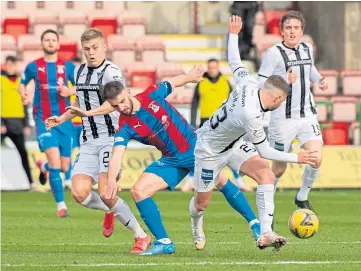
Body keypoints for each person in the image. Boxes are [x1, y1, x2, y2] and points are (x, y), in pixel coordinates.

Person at [72, 65, 261, 255]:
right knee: (139, 191)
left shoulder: (151, 94)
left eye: (122, 101)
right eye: (115, 106)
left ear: (128, 92)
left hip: (196, 150)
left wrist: (189, 77)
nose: (122, 107)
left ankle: (255, 224)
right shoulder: (124, 126)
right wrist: (111, 179)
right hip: (171, 160)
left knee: (221, 181)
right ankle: (164, 242)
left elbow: (174, 82)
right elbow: (117, 154)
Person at [190, 16, 317, 250]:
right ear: (278, 98)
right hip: (209, 150)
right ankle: (196, 224)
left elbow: (235, 62)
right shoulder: (252, 116)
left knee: (266, 176)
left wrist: (233, 35)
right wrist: (296, 157)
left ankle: (266, 233)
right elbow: (266, 150)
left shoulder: (250, 83)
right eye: (283, 100)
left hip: (235, 143)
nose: (281, 104)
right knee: (200, 204)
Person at [45, 28, 151, 254]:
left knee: (106, 192)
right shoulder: (79, 71)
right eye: (86, 49)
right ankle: (111, 211)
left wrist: (87, 115)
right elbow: (79, 106)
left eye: (95, 48)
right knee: (79, 193)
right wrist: (61, 119)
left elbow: (113, 103)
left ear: (104, 47)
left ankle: (140, 236)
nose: (91, 53)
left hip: (110, 138)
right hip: (87, 141)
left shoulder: (111, 71)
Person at [257, 11, 328, 211]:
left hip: (307, 114)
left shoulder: (307, 48)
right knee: (279, 168)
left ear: (301, 31)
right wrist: (282, 81)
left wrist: (319, 79)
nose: (292, 32)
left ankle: (302, 196)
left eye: (296, 28)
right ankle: (267, 207)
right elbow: (260, 81)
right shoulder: (273, 53)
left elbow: (310, 69)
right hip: (282, 119)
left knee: (316, 157)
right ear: (282, 31)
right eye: (288, 28)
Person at [19, 30, 75, 216]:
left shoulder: (68, 67)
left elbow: (80, 87)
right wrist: (23, 94)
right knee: (55, 161)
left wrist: (70, 91)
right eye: (47, 40)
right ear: (42, 43)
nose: (50, 43)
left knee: (65, 167)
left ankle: (43, 167)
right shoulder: (33, 66)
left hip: (65, 120)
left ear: (58, 44)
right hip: (43, 119)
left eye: (53, 40)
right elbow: (22, 83)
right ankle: (61, 206)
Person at [183, 58, 252, 192]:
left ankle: (239, 180)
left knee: (229, 150)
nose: (212, 70)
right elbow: (194, 103)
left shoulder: (225, 83)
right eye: (210, 67)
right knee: (199, 153)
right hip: (205, 121)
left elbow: (235, 102)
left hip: (223, 123)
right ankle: (190, 180)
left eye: (214, 67)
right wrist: (192, 123)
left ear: (218, 67)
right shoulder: (201, 83)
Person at [1, 55, 39, 191]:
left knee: (23, 154)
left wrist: (27, 125)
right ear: (6, 65)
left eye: (15, 65)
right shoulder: (1, 79)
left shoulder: (20, 82)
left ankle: (31, 183)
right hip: (4, 123)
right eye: (10, 65)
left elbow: (24, 103)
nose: (13, 67)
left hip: (17, 123)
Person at [63, 56, 83, 189]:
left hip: (84, 123)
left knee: (84, 152)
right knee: (68, 151)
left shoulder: (85, 82)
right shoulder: (64, 84)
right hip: (69, 123)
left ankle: (82, 177)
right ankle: (67, 178)